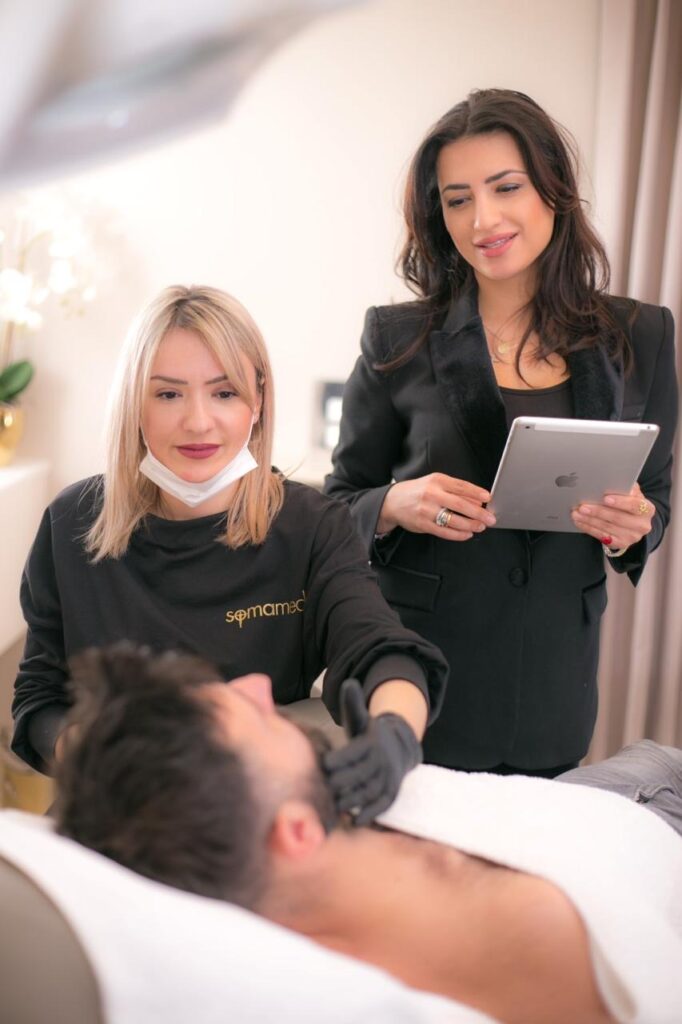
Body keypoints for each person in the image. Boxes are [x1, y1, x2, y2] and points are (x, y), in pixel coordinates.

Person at [324, 88, 678, 775]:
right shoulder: (397, 338)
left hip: (554, 685)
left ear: (553, 187)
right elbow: (338, 503)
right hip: (421, 680)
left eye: (505, 187)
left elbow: (656, 498)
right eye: (457, 199)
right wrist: (394, 503)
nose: (482, 219)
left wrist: (635, 524)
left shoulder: (641, 335)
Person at [55, 645, 682, 1024]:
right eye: (252, 715)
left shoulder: (264, 836)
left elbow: (381, 643)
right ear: (296, 832)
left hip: (603, 797)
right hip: (655, 850)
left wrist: (394, 730)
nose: (260, 685)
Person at [11, 285, 449, 822]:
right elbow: (40, 699)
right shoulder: (72, 523)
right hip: (118, 809)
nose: (198, 421)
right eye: (168, 395)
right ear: (133, 403)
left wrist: (394, 735)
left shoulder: (311, 526)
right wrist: (103, 759)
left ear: (257, 401)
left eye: (224, 393)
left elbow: (382, 649)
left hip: (256, 809)